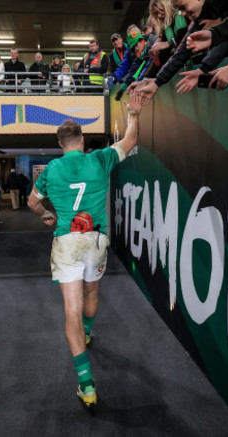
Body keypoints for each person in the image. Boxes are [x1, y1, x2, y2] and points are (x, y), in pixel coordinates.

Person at [27, 91, 143, 411]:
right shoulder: (99, 158)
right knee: (93, 292)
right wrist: (133, 113)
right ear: (83, 139)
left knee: (71, 312)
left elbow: (32, 202)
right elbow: (131, 141)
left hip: (66, 242)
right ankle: (88, 333)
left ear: (60, 144)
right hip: (95, 240)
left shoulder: (51, 169)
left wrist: (47, 215)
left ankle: (87, 386)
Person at [130, 0, 228, 102]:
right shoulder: (200, 17)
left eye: (183, 7)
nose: (182, 14)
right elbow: (181, 52)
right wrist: (156, 82)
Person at [146, 0, 189, 78]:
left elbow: (186, 37)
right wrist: (147, 78)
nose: (159, 15)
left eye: (161, 10)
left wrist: (168, 43)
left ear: (167, 6)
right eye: (156, 13)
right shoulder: (165, 28)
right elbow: (161, 55)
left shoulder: (182, 13)